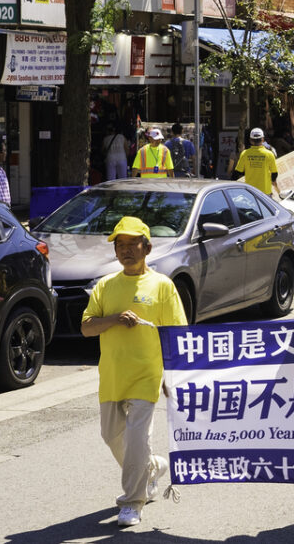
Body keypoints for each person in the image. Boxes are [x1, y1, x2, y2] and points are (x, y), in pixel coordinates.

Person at [80, 216, 187, 528]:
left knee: (138, 438)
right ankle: (151, 468)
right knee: (111, 435)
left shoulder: (162, 286)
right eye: (120, 245)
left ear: (147, 248)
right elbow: (87, 328)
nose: (126, 250)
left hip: (147, 375)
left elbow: (177, 332)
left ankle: (132, 502)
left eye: (132, 244)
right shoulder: (105, 286)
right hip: (113, 375)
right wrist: (113, 318)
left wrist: (175, 375)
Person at [230, 128, 278, 196]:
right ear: (263, 139)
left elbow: (237, 172)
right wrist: (273, 181)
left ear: (250, 140)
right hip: (265, 192)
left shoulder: (245, 154)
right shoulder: (269, 154)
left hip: (250, 192)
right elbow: (274, 173)